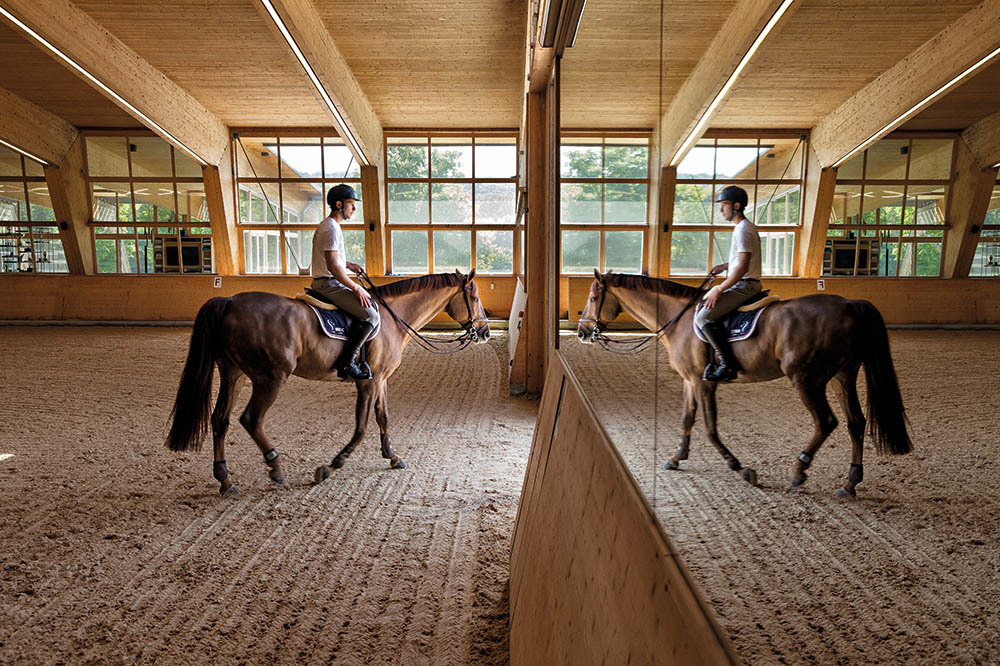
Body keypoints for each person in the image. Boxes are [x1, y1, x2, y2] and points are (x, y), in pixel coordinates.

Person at [694, 185, 762, 382]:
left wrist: (719, 288)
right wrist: (725, 266)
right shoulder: (743, 228)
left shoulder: (743, 230)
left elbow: (742, 268)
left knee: (703, 317)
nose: (721, 210)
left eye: (724, 205)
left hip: (744, 285)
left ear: (736, 206)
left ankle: (727, 365)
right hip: (742, 281)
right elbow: (740, 261)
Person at [311, 184, 379, 380]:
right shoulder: (331, 228)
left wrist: (349, 265)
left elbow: (333, 259)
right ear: (339, 204)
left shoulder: (331, 226)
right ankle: (347, 363)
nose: (354, 209)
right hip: (329, 284)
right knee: (370, 316)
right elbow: (332, 266)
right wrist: (356, 287)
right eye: (351, 204)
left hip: (329, 280)